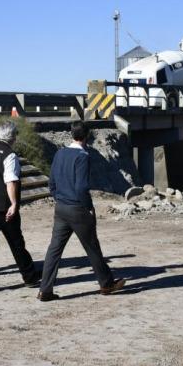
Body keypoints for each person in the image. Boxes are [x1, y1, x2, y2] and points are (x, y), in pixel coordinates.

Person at [38, 121, 125, 301]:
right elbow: (81, 187)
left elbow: (51, 182)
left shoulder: (60, 153)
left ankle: (45, 290)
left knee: (54, 249)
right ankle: (106, 283)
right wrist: (88, 207)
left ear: (72, 134)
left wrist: (59, 198)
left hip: (61, 208)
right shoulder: (83, 156)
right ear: (86, 136)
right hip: (77, 209)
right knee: (92, 247)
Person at [0, 121, 41, 293]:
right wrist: (14, 203)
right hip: (3, 206)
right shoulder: (10, 155)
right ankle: (30, 276)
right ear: (13, 137)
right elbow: (10, 180)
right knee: (16, 242)